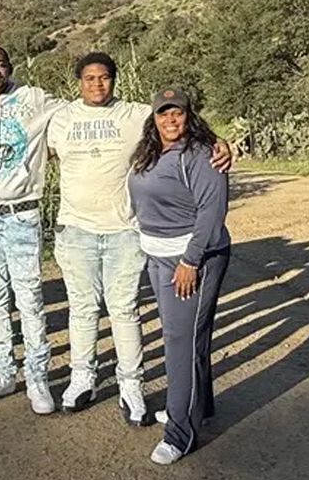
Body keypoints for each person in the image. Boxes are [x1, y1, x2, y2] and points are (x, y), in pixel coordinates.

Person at [47, 53, 230, 425]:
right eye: (89, 78)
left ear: (113, 80)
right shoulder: (60, 118)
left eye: (104, 77)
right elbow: (30, 152)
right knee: (82, 309)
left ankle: (131, 385)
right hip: (75, 227)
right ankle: (83, 378)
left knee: (124, 311)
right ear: (78, 82)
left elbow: (180, 126)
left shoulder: (135, 115)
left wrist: (220, 143)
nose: (97, 84)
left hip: (124, 230)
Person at [129, 89, 231, 465]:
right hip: (158, 255)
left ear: (189, 116)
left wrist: (190, 261)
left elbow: (211, 211)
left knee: (179, 341)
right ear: (153, 119)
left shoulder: (202, 155)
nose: (170, 120)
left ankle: (180, 433)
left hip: (192, 259)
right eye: (163, 114)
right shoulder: (150, 151)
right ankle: (195, 407)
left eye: (178, 113)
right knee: (190, 338)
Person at [0, 44, 65, 415]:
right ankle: (3, 372)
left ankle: (38, 378)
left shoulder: (33, 98)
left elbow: (74, 117)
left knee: (30, 301)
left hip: (21, 216)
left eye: (0, 63)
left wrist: (49, 152)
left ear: (10, 67)